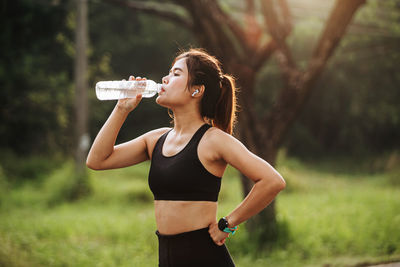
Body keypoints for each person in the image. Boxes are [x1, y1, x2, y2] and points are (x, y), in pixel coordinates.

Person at [86, 48, 286, 267]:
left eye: (176, 74)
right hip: (167, 258)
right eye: (169, 73)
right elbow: (97, 160)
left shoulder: (214, 140)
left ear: (196, 90)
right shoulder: (156, 140)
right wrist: (122, 109)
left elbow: (272, 181)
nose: (165, 78)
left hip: (205, 258)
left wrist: (228, 223)